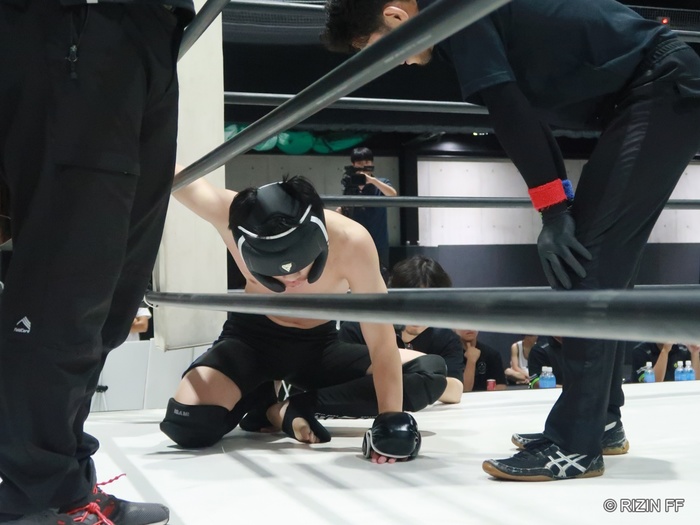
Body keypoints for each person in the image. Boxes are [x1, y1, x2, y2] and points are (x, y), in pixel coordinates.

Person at [322, 0, 700, 480]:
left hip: (660, 86)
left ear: (396, 17)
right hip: (649, 90)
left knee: (587, 265)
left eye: (379, 49)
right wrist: (557, 205)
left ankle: (576, 444)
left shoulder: (456, 13)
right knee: (598, 264)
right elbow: (523, 112)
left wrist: (555, 210)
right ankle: (600, 421)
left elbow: (508, 110)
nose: (392, 63)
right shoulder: (458, 19)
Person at [0, 2, 193, 523]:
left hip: (150, 31)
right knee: (67, 288)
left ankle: (61, 477)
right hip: (82, 25)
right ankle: (39, 497)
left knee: (111, 294)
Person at [160, 173, 445, 464]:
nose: (292, 279)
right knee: (187, 424)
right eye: (276, 273)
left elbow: (381, 342)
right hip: (250, 342)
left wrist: (389, 423)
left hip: (319, 347)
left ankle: (289, 408)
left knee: (429, 373)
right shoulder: (231, 214)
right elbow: (169, 171)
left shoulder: (351, 241)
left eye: (301, 267)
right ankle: (260, 396)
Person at [339, 255, 464, 403]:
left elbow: (456, 391)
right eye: (410, 303)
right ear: (394, 298)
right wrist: (423, 377)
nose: (418, 314)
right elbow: (341, 381)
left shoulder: (446, 338)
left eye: (428, 305)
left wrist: (416, 380)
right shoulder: (357, 329)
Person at [339, 147, 397, 273]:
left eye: (367, 162)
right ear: (353, 165)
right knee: (355, 274)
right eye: (359, 163)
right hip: (355, 241)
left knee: (380, 274)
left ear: (372, 163)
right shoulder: (349, 185)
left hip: (378, 241)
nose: (363, 166)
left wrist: (372, 181)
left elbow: (393, 194)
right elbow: (345, 207)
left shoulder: (381, 183)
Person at [631, 342, 699, 383]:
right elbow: (653, 383)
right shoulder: (640, 351)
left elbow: (697, 381)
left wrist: (694, 353)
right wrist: (665, 351)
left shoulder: (682, 349)